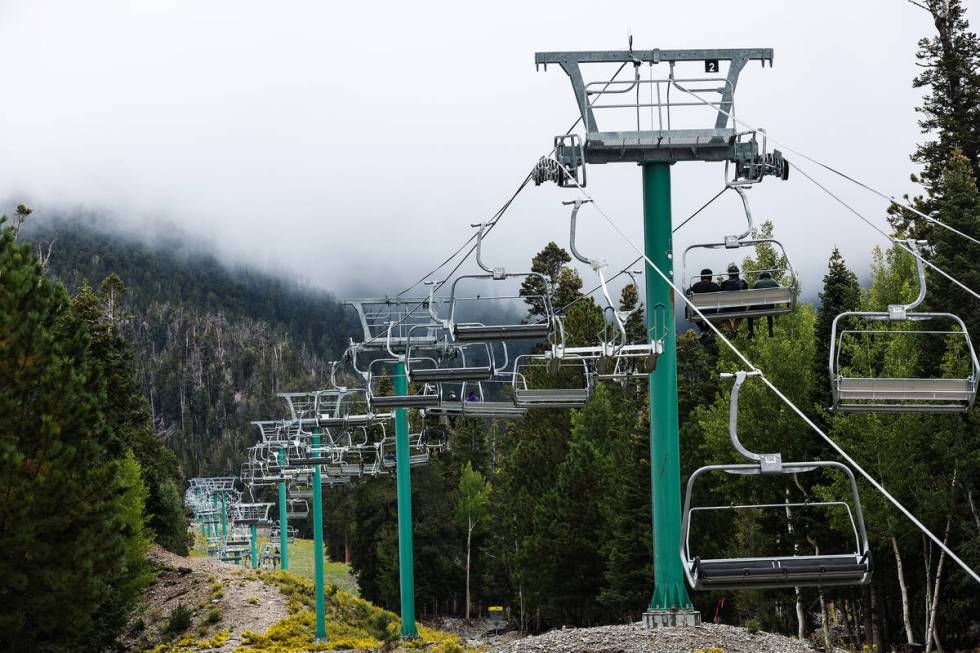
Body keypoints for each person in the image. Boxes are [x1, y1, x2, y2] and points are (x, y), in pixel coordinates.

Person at [748, 270, 779, 338]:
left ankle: (751, 331)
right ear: (769, 275)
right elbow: (779, 290)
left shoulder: (757, 283)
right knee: (769, 310)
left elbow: (753, 294)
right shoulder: (774, 282)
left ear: (761, 276)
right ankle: (770, 330)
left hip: (759, 307)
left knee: (749, 312)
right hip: (770, 306)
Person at [720, 264, 748, 332]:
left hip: (727, 308)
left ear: (729, 274)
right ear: (738, 273)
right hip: (740, 307)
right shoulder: (743, 282)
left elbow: (720, 294)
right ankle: (735, 328)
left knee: (720, 313)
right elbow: (746, 293)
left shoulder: (724, 283)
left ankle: (731, 329)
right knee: (743, 309)